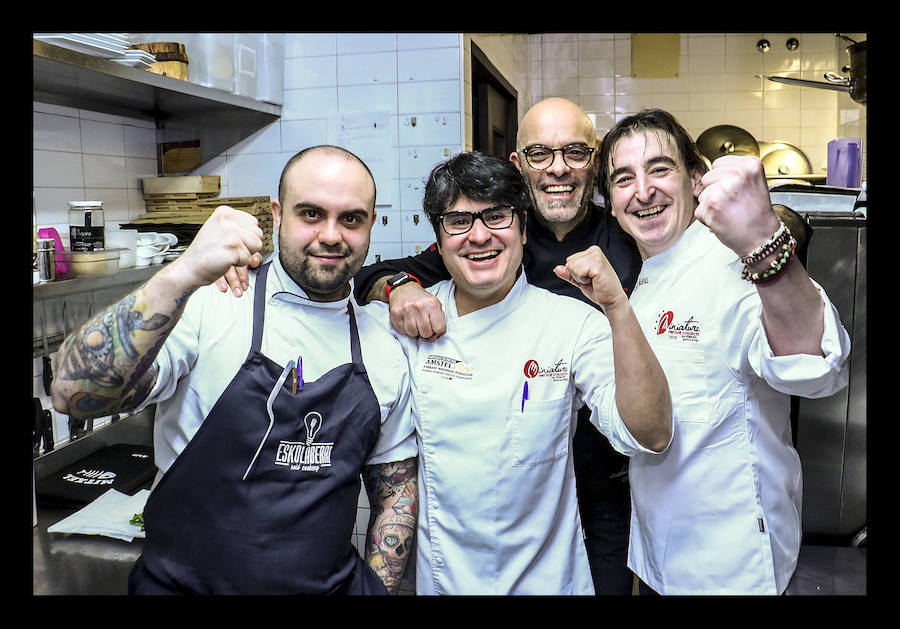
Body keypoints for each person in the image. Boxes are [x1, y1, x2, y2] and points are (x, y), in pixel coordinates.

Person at [51, 146, 418, 595]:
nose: (330, 235)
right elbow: (72, 392)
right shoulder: (213, 303)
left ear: (371, 224)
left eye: (351, 219)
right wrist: (183, 271)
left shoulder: (384, 345)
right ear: (277, 214)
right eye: (310, 213)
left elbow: (395, 492)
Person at [351, 97, 643, 595]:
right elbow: (371, 276)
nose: (558, 169)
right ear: (519, 164)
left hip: (606, 474)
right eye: (539, 154)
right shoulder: (477, 241)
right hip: (498, 484)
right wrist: (399, 287)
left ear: (593, 162)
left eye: (575, 152)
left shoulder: (629, 233)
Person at [597, 109, 851, 595]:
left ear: (696, 178)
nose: (642, 191)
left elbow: (815, 366)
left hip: (729, 565)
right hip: (657, 553)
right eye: (624, 178)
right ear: (612, 204)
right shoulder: (643, 280)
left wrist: (762, 245)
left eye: (659, 169)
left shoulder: (728, 261)